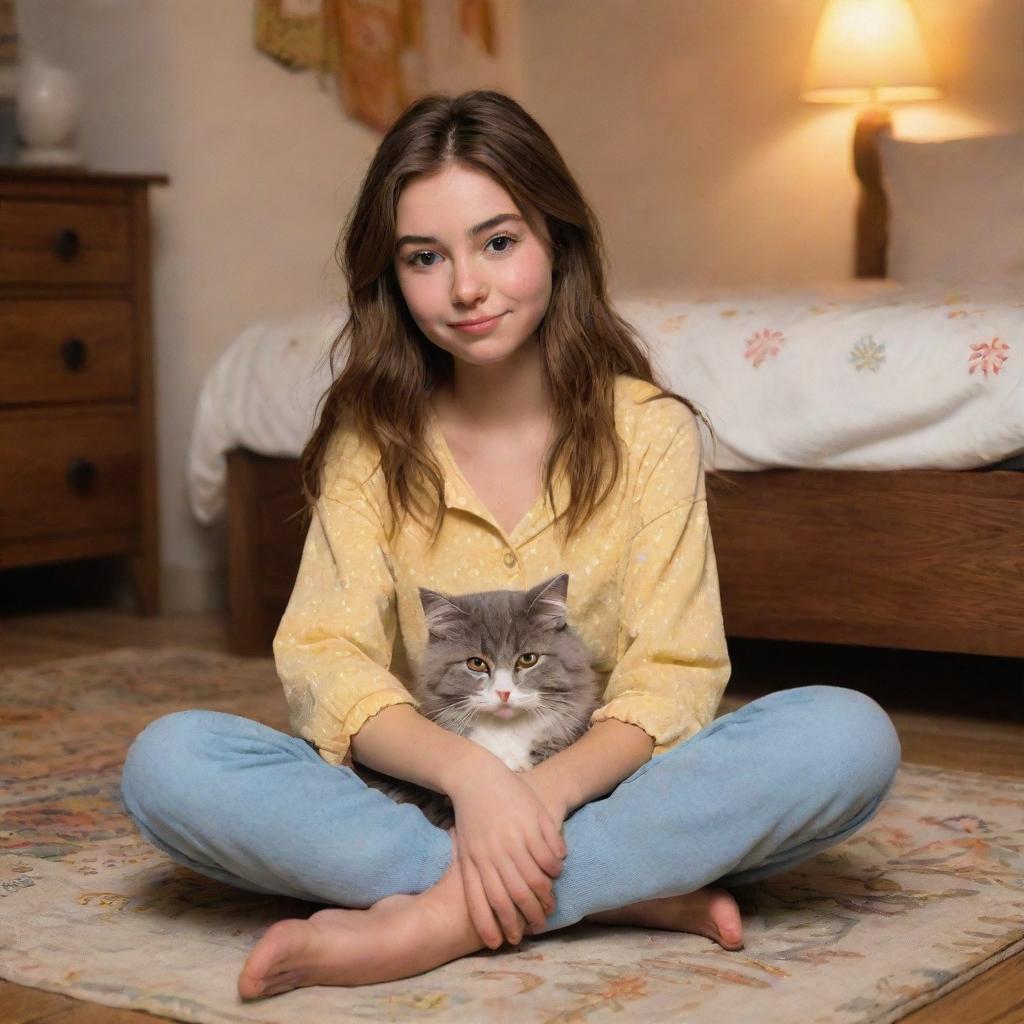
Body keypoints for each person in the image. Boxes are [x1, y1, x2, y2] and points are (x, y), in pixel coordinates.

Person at [119, 90, 902, 1000]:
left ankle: (437, 915)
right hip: (419, 795)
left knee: (846, 736)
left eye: (498, 242)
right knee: (169, 764)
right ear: (392, 276)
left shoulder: (649, 432)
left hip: (599, 789)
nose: (465, 288)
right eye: (425, 257)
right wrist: (472, 781)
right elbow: (325, 661)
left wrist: (541, 796)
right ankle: (612, 890)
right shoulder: (368, 442)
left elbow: (677, 675)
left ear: (557, 240)